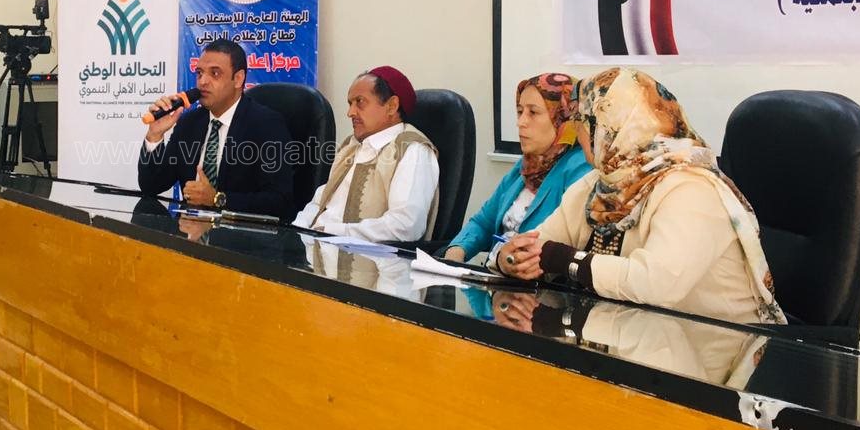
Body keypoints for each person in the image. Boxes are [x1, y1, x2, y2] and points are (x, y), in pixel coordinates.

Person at [495, 68, 785, 328]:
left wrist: (561, 259)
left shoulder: (693, 189)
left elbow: (656, 285)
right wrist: (510, 259)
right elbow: (536, 243)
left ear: (607, 125)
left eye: (581, 121)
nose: (578, 132)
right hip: (635, 339)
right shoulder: (599, 183)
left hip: (715, 349)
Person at [138, 39, 294, 219]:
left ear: (238, 79)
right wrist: (155, 134)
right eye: (199, 73)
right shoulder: (189, 123)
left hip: (239, 234)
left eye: (215, 73)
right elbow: (151, 186)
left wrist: (217, 199)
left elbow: (280, 202)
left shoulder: (266, 124)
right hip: (188, 231)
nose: (203, 81)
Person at [445, 72, 590, 262]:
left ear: (564, 117)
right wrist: (456, 252)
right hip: (499, 272)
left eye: (533, 113)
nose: (520, 122)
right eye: (520, 111)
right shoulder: (528, 165)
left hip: (532, 277)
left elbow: (555, 247)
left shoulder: (581, 170)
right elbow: (483, 222)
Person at [293, 66, 439, 242]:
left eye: (360, 102)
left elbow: (406, 225)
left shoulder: (413, 150)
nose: (350, 112)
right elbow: (320, 201)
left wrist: (331, 231)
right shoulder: (351, 146)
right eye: (350, 104)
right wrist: (297, 229)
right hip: (315, 246)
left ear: (392, 106)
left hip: (360, 256)